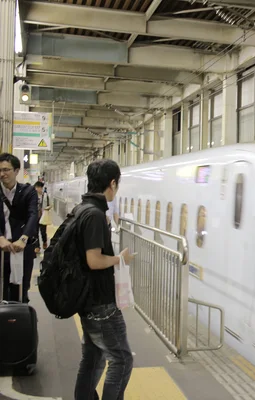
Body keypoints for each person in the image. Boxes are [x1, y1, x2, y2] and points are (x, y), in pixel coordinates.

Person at [74, 159, 134, 400]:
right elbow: (94, 260)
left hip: (88, 300)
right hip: (101, 304)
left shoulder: (83, 208)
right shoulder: (96, 215)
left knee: (93, 357)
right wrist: (120, 259)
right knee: (121, 360)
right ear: (112, 183)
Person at [0, 153, 38, 303]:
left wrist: (23, 238)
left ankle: (19, 321)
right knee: (2, 290)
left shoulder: (28, 192)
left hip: (21, 248)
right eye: (0, 170)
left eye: (6, 170)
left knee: (21, 290)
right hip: (2, 247)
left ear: (16, 171)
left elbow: (33, 215)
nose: (2, 174)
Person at [34, 181, 51, 250]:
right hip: (35, 216)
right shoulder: (33, 195)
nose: (38, 189)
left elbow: (49, 204)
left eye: (39, 187)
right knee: (35, 232)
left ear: (41, 188)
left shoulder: (45, 195)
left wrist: (47, 208)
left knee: (43, 232)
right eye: (37, 187)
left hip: (43, 216)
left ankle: (44, 242)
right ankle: (37, 246)